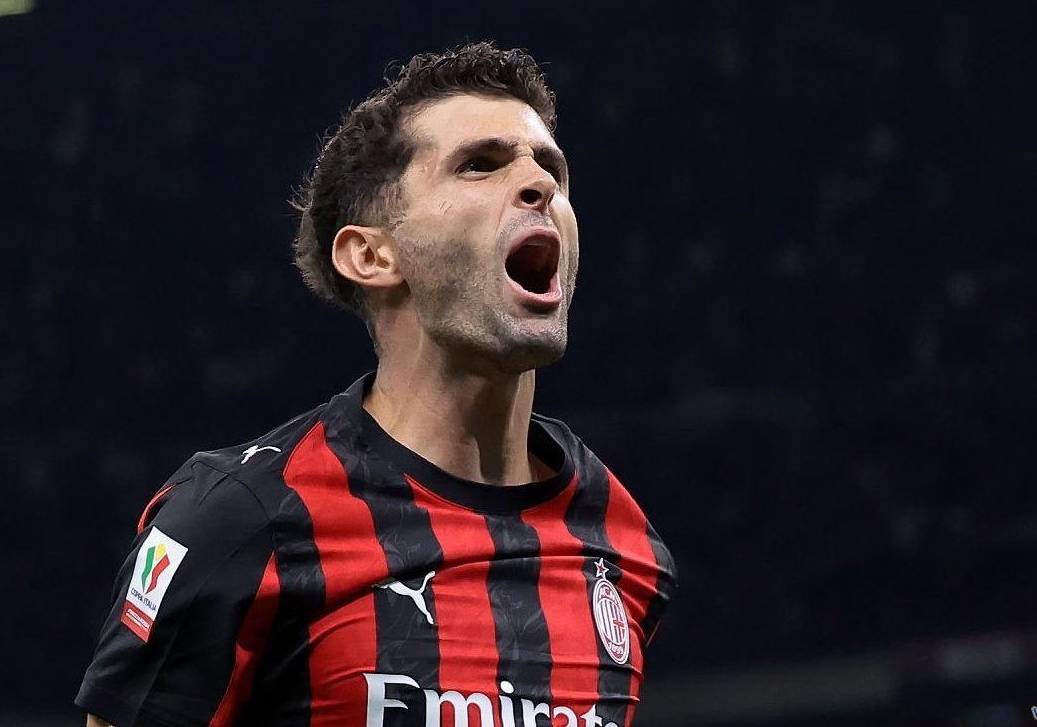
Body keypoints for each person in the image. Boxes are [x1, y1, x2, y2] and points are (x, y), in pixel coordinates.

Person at [76, 41, 677, 727]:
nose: (538, 184)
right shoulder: (241, 517)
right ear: (370, 254)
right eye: (480, 164)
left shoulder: (624, 543)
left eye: (551, 168)